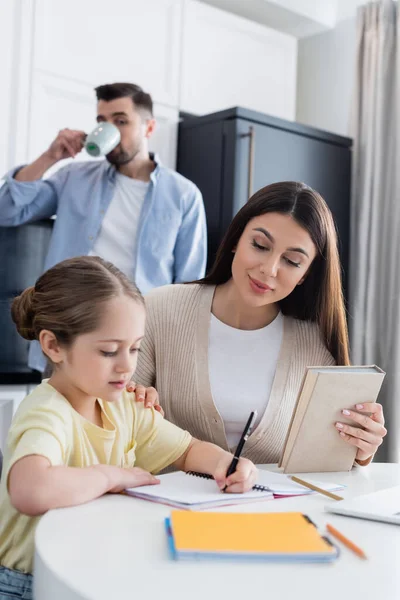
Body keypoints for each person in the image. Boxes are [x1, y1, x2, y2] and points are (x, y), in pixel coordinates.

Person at [0, 256, 256, 600]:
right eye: (109, 351)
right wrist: (110, 477)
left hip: (93, 572)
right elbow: (31, 490)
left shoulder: (123, 405)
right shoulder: (46, 412)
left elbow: (187, 450)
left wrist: (226, 464)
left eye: (134, 348)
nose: (126, 366)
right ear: (53, 346)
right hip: (31, 583)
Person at [133, 181, 387, 466]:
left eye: (292, 261)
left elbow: (324, 465)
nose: (269, 269)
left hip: (272, 508)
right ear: (235, 240)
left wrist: (360, 452)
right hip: (166, 504)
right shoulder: (159, 308)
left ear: (305, 274)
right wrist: (136, 404)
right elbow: (114, 423)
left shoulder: (316, 343)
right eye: (259, 245)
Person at [0, 82, 207, 373]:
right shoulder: (74, 177)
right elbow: (7, 210)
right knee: (56, 417)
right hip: (68, 334)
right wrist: (50, 157)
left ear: (148, 128)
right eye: (102, 121)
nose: (108, 129)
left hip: (136, 347)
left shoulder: (184, 195)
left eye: (120, 121)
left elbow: (189, 288)